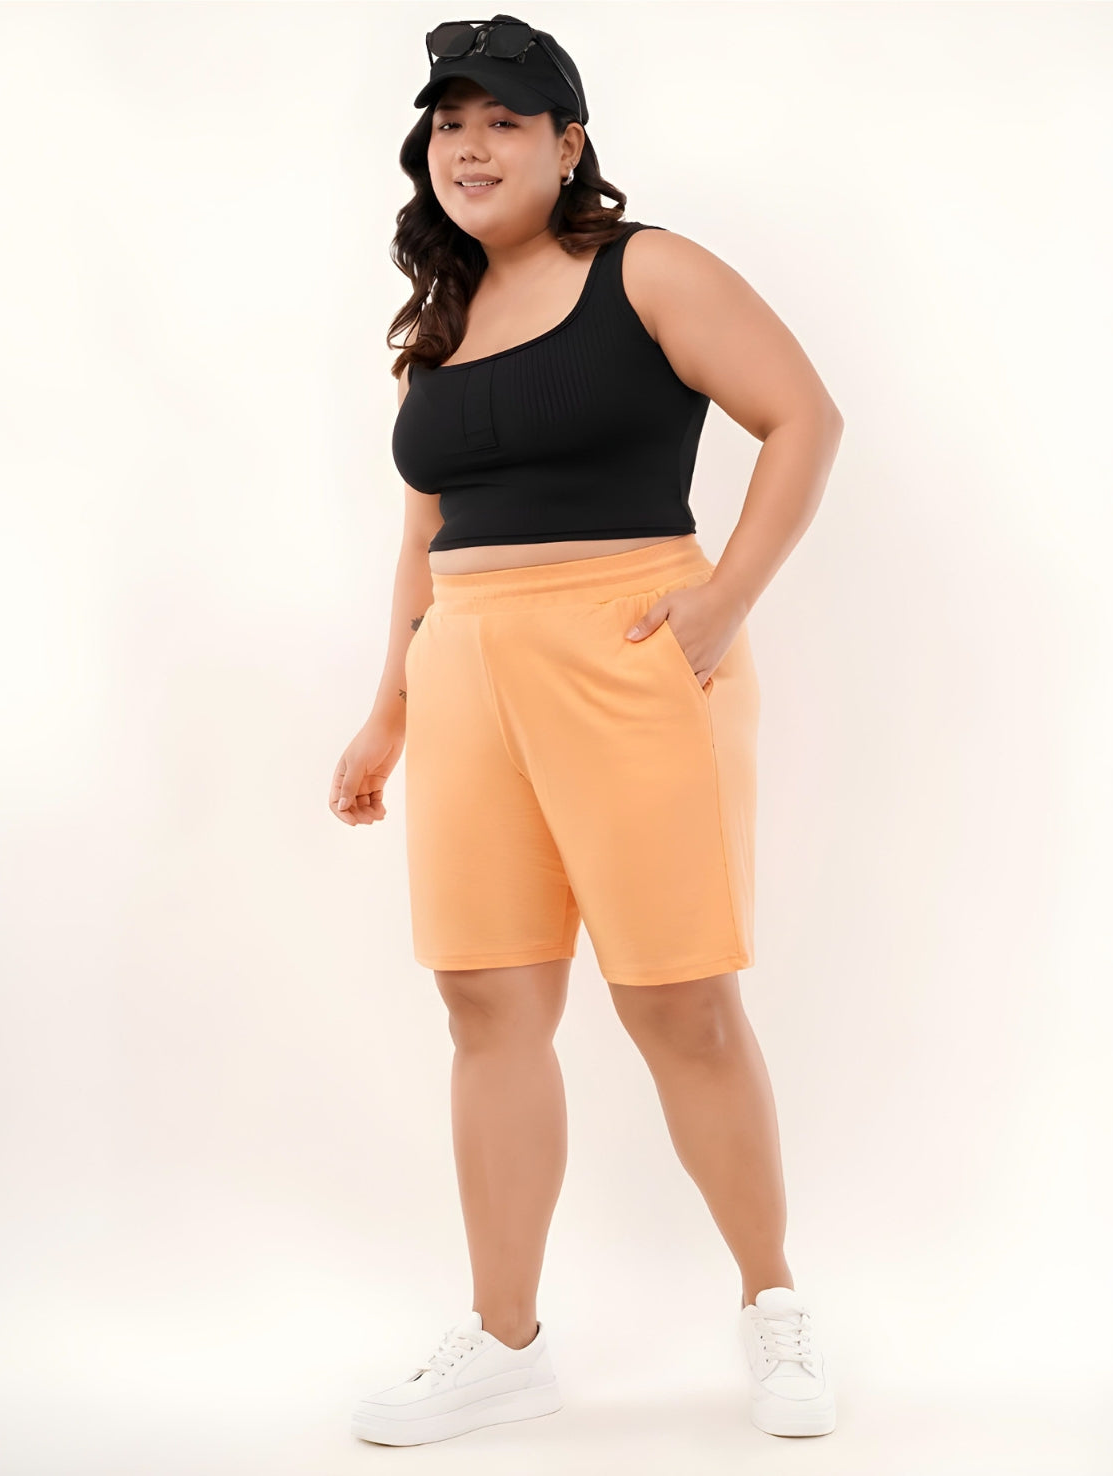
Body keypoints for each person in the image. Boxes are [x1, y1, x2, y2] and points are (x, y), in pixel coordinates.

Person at [332, 13, 844, 1447]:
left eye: (503, 121)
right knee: (486, 1002)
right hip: (466, 665)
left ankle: (773, 1303)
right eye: (449, 124)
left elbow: (802, 418)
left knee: (678, 999)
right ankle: (504, 1340)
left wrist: (721, 604)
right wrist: (387, 711)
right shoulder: (437, 328)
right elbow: (425, 536)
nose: (470, 146)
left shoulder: (647, 271)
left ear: (568, 144)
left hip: (629, 649)